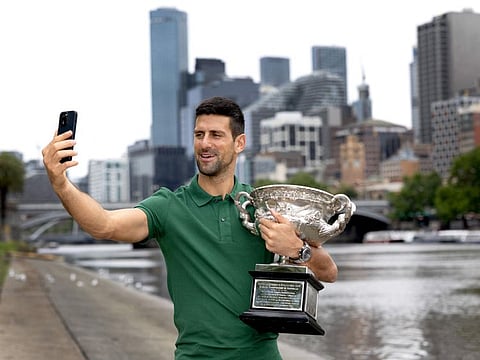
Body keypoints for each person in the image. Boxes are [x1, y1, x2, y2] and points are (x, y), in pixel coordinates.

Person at [42, 96, 338, 359]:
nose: (205, 143)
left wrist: (297, 251)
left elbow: (328, 272)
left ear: (239, 143)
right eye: (199, 134)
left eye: (216, 135)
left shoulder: (263, 207)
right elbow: (104, 225)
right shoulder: (169, 207)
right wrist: (61, 184)